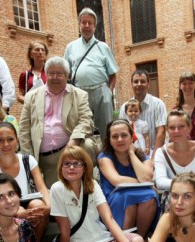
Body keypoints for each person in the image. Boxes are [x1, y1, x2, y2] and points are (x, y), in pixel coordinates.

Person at [19, 56, 100, 188]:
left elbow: (86, 120)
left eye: (59, 73)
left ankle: (86, 186)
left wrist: (73, 141)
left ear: (67, 76)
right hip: (45, 159)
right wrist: (29, 160)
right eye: (51, 73)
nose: (55, 77)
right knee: (55, 197)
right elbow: (23, 129)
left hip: (70, 150)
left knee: (88, 145)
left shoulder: (79, 95)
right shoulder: (31, 97)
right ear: (46, 75)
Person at [0, 122, 50, 242]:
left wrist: (47, 206)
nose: (6, 144)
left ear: (17, 140)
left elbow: (41, 187)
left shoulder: (28, 160)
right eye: (0, 140)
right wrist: (17, 213)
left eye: (10, 139)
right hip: (3, 211)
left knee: (38, 205)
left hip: (30, 205)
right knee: (18, 209)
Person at [64, 7, 118, 139]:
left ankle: (108, 155)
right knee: (82, 129)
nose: (87, 26)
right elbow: (65, 73)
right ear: (79, 25)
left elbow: (113, 74)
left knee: (107, 129)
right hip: (80, 93)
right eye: (84, 22)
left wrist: (108, 92)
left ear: (94, 26)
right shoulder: (71, 47)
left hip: (101, 92)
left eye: (90, 23)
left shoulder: (103, 47)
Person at [155, 110, 195, 212]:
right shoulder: (161, 152)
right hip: (173, 198)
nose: (176, 131)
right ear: (167, 130)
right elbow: (160, 182)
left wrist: (179, 185)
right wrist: (191, 185)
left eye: (181, 126)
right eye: (172, 128)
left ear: (189, 128)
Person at [119, 70, 167, 158]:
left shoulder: (158, 104)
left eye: (143, 81)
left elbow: (161, 131)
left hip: (152, 152)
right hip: (129, 154)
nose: (139, 84)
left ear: (148, 84)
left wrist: (154, 158)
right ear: (132, 84)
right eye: (136, 81)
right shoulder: (124, 107)